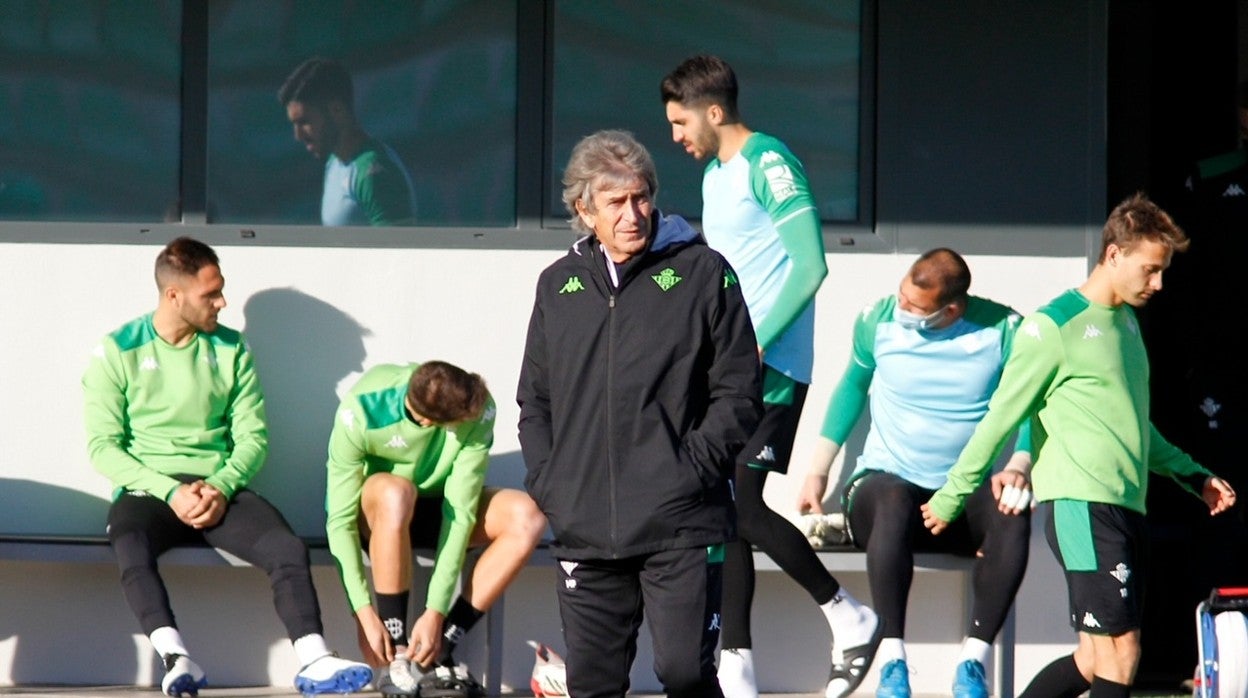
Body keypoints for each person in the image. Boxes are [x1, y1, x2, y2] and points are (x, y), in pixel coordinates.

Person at [921, 193, 1239, 698]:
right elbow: (1001, 417)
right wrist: (953, 494)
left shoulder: (1129, 325)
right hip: (1084, 507)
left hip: (1125, 506)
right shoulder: (1053, 326)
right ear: (1114, 256)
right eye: (1150, 269)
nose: (1158, 283)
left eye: (1163, 272)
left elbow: (1136, 427)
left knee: (1094, 660)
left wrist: (1195, 475)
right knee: (1124, 650)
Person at [661, 54, 879, 698]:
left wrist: (753, 344)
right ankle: (738, 670)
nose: (675, 137)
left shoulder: (769, 162)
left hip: (771, 369)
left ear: (715, 111)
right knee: (723, 512)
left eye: (680, 122)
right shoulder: (716, 177)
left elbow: (810, 266)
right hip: (729, 371)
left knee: (742, 508)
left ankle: (849, 615)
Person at [516, 129, 762, 698]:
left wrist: (690, 471)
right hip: (585, 528)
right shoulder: (558, 286)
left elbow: (740, 390)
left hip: (681, 522)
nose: (634, 213)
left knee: (684, 673)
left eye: (642, 196)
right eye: (616, 202)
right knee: (592, 684)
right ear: (584, 210)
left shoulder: (704, 272)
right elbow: (536, 401)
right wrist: (552, 484)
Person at [82, 236, 373, 697]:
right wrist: (170, 490)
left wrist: (219, 486)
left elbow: (253, 438)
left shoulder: (231, 349)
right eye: (210, 294)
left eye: (221, 290)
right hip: (151, 493)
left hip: (220, 488)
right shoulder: (118, 350)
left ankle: (315, 657)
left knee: (286, 546)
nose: (222, 302)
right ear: (173, 296)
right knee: (130, 542)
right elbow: (103, 448)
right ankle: (177, 659)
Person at [795, 248, 1033, 698]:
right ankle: (892, 662)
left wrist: (1019, 466)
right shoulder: (876, 319)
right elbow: (852, 386)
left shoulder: (1005, 330)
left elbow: (1032, 407)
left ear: (952, 309)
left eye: (914, 306)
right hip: (886, 494)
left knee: (1014, 510)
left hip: (960, 498)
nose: (900, 308)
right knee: (890, 498)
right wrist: (818, 469)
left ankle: (972, 664)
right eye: (901, 295)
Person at [325, 360, 547, 698]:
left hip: (440, 510)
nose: (478, 415)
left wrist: (435, 612)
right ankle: (396, 653)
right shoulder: (363, 408)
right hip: (382, 511)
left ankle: (440, 649)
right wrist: (363, 612)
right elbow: (339, 521)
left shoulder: (477, 405)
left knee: (527, 516)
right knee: (396, 492)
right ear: (430, 422)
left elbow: (459, 514)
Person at [278, 56, 417, 226]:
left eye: (304, 122)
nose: (298, 135)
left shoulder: (375, 175)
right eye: (294, 124)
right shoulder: (333, 161)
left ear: (337, 110)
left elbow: (400, 251)